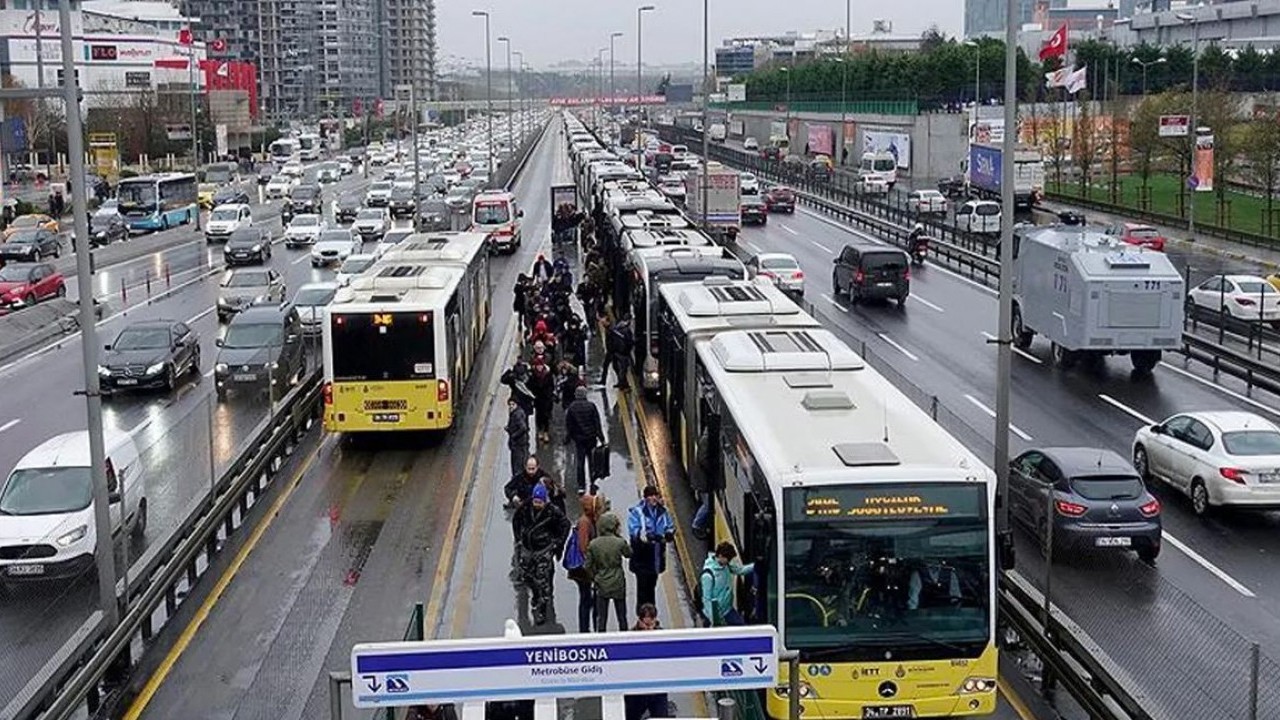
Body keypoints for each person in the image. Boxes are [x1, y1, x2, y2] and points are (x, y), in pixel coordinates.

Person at [512, 483, 571, 625]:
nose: (537, 504)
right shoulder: (525, 507)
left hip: (543, 549)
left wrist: (558, 542)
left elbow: (565, 525)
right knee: (526, 576)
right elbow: (516, 520)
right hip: (527, 548)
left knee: (543, 581)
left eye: (540, 502)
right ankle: (536, 595)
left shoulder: (553, 512)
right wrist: (519, 538)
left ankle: (542, 609)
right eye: (535, 501)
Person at [627, 486, 674, 614]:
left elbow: (669, 526)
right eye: (651, 496)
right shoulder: (638, 512)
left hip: (656, 557)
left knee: (652, 586)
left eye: (655, 495)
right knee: (642, 588)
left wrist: (669, 533)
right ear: (646, 498)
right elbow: (634, 531)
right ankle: (642, 615)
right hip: (642, 557)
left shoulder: (663, 512)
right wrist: (648, 536)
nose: (654, 498)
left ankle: (651, 614)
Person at [585, 511, 631, 632]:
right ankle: (624, 639)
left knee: (602, 617)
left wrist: (595, 577)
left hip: (601, 582)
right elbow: (628, 553)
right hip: (618, 582)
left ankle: (602, 640)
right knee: (622, 616)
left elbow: (588, 566)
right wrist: (619, 537)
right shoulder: (619, 542)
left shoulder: (594, 544)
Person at [568, 492, 606, 633]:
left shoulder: (591, 519)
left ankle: (591, 627)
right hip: (584, 570)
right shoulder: (585, 522)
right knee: (587, 599)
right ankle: (585, 629)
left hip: (588, 567)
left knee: (592, 598)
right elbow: (583, 546)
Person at [625, 604, 669, 720]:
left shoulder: (664, 637)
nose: (648, 629)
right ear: (639, 621)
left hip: (657, 690)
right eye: (646, 625)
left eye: (651, 625)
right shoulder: (629, 638)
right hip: (637, 691)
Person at [700, 542, 755, 626]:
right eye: (728, 559)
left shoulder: (726, 565)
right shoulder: (708, 575)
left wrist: (755, 565)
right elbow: (707, 599)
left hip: (727, 610)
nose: (729, 561)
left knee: (743, 629)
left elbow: (740, 570)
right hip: (714, 616)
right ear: (720, 556)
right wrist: (713, 621)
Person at [564, 385, 605, 494]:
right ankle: (592, 482)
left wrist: (568, 438)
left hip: (579, 439)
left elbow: (569, 425)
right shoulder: (591, 406)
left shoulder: (572, 407)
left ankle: (581, 485)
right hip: (591, 438)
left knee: (580, 462)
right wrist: (601, 438)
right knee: (592, 461)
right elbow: (597, 423)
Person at [602, 316, 634, 390]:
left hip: (618, 352)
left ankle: (622, 384)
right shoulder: (622, 329)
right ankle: (622, 383)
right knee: (620, 368)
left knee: (620, 369)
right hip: (620, 352)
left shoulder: (616, 329)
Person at [528, 359, 556, 443]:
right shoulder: (532, 375)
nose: (539, 367)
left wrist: (549, 393)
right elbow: (530, 386)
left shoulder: (548, 374)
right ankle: (540, 430)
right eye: (538, 366)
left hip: (546, 398)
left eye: (540, 365)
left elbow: (552, 385)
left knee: (546, 416)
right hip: (538, 398)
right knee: (539, 416)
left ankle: (546, 432)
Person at [504, 397, 530, 479]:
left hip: (518, 444)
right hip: (519, 443)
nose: (511, 406)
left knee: (517, 464)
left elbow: (523, 427)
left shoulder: (517, 415)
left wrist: (514, 435)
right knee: (518, 462)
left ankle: (517, 481)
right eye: (510, 404)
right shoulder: (516, 413)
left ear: (517, 405)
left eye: (513, 404)